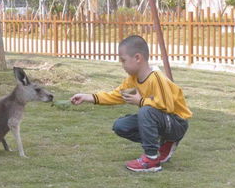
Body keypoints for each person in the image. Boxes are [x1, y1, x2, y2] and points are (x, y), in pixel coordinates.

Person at [70, 35, 192, 172]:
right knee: (121, 125)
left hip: (177, 122)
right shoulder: (132, 79)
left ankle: (151, 160)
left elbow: (167, 106)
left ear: (138, 58)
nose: (122, 65)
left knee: (146, 111)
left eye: (123, 60)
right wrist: (87, 97)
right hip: (160, 119)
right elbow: (116, 95)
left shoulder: (156, 78)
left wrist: (140, 101)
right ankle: (162, 144)